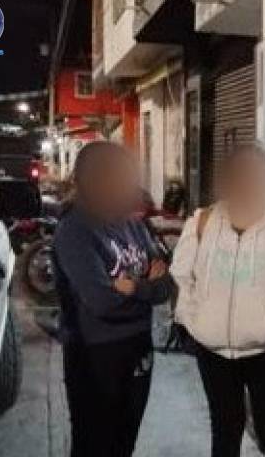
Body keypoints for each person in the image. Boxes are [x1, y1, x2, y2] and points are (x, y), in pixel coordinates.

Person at [172, 144, 265, 457]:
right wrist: (194, 320)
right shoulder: (203, 221)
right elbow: (181, 275)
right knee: (224, 433)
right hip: (213, 352)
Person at [53, 142, 176, 457]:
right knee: (94, 444)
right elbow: (101, 302)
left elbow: (166, 286)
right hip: (94, 355)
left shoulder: (134, 225)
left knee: (125, 440)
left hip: (138, 347)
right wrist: (147, 284)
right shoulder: (75, 230)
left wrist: (134, 289)